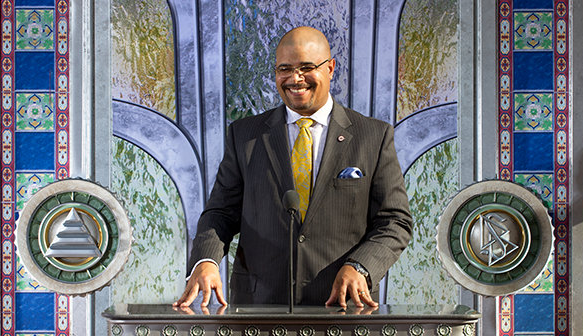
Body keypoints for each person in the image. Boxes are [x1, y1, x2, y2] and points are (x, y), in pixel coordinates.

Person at [174, 26, 412, 309]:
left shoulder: (373, 136)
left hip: (341, 306)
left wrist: (360, 266)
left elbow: (394, 221)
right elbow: (221, 213)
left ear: (330, 68)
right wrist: (206, 260)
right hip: (258, 308)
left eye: (307, 68)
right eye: (284, 69)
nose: (295, 79)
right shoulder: (245, 135)